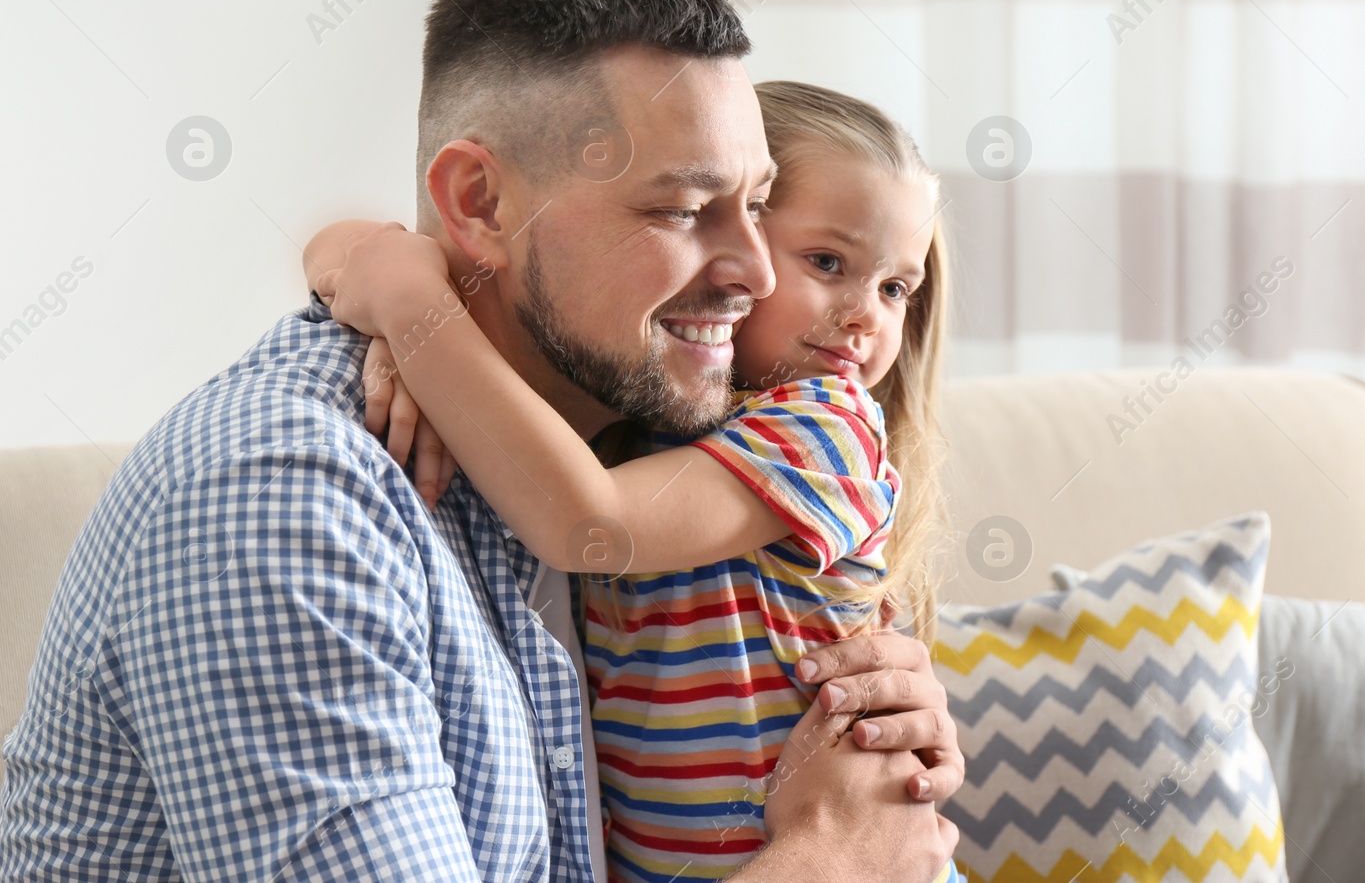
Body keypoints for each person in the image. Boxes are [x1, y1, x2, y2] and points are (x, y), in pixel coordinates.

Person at [0, 0, 961, 882]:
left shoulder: (619, 426)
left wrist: (883, 719)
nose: (754, 271)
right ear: (481, 203)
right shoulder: (285, 502)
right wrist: (832, 859)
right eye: (680, 209)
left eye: (756, 205)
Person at [302, 79, 957, 882]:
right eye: (827, 262)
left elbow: (590, 522)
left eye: (897, 287)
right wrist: (386, 271)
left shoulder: (827, 427)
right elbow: (338, 245)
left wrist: (411, 309)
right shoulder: (645, 402)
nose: (867, 315)